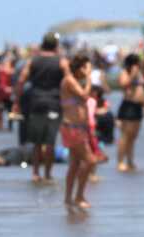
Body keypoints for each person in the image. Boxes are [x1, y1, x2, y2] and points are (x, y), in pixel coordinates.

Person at [13, 32, 68, 183]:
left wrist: (16, 101)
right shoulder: (61, 62)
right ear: (56, 45)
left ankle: (35, 173)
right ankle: (48, 174)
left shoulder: (33, 60)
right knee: (50, 141)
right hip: (54, 103)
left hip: (36, 102)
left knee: (37, 141)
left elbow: (21, 80)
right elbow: (68, 80)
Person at [60, 54, 94, 208]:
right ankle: (79, 196)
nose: (86, 72)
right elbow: (85, 95)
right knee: (90, 161)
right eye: (85, 68)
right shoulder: (69, 80)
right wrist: (89, 77)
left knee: (74, 164)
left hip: (78, 127)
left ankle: (69, 198)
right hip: (72, 128)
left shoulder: (74, 81)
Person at [116, 53, 144, 172]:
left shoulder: (139, 73)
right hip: (128, 106)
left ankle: (130, 161)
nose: (139, 65)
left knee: (133, 137)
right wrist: (133, 75)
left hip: (138, 106)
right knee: (125, 136)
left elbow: (141, 88)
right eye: (137, 63)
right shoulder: (125, 73)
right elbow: (123, 85)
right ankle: (120, 162)